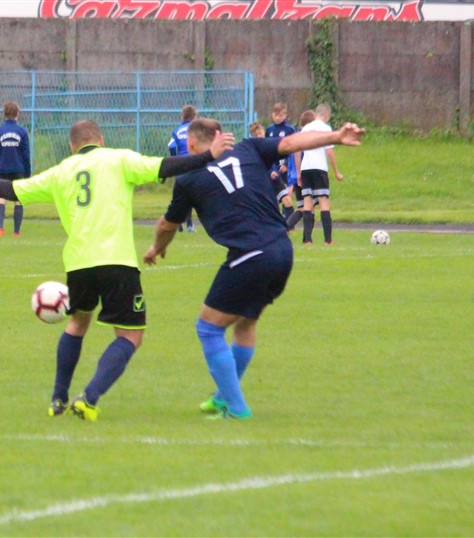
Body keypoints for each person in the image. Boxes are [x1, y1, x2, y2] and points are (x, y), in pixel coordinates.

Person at [0, 120, 233, 421]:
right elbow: (166, 166)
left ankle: (58, 398)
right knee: (130, 336)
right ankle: (88, 399)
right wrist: (208, 155)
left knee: (77, 324)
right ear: (101, 139)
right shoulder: (119, 159)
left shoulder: (61, 171)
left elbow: (11, 190)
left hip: (78, 264)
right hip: (117, 262)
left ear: (72, 146)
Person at [143, 118, 365, 419]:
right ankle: (222, 398)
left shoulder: (189, 178)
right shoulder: (248, 148)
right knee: (245, 324)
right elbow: (291, 143)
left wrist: (157, 247)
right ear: (221, 136)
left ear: (191, 145)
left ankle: (236, 407)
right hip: (282, 251)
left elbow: (167, 225)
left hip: (250, 255)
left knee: (208, 328)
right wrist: (335, 136)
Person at [298, 104, 343, 245]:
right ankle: (328, 240)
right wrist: (336, 171)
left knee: (307, 202)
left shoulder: (305, 128)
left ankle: (307, 239)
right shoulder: (326, 129)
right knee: (324, 201)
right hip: (319, 168)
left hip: (306, 168)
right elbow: (329, 151)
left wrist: (299, 172)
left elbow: (298, 150)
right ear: (326, 115)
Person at [0, 101, 31, 237]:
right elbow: (26, 155)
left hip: (2, 169)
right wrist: (27, 174)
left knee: (1, 198)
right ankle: (16, 232)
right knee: (18, 199)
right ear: (17, 114)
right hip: (19, 169)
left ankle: (0, 229)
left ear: (4, 114)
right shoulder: (22, 132)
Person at [265, 102, 297, 221]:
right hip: (273, 166)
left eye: (280, 115)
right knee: (274, 194)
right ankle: (277, 219)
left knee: (286, 193)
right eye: (276, 115)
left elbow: (294, 147)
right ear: (272, 114)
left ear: (285, 115)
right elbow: (267, 149)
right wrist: (270, 168)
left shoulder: (290, 129)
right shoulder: (269, 130)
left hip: (285, 166)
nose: (278, 118)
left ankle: (288, 221)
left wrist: (287, 164)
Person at [168, 104, 198, 232]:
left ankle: (178, 221)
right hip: (194, 162)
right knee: (193, 193)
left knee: (180, 193)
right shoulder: (196, 130)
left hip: (181, 164)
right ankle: (189, 223)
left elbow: (171, 146)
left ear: (182, 117)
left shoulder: (177, 131)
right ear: (194, 117)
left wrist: (175, 159)